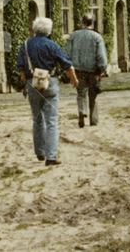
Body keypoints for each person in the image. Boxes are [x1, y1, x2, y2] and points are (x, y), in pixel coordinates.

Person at [17, 17, 78, 166]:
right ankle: (51, 156)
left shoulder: (25, 45)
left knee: (37, 119)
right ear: (49, 30)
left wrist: (26, 84)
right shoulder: (52, 45)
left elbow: (22, 71)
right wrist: (74, 80)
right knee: (51, 120)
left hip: (32, 83)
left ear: (34, 29)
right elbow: (68, 66)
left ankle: (40, 152)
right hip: (50, 82)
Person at [65, 13, 108, 128]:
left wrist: (68, 68)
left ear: (82, 22)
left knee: (81, 93)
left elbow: (67, 54)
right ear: (92, 23)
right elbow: (101, 56)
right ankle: (93, 120)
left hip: (78, 70)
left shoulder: (73, 36)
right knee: (93, 95)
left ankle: (82, 112)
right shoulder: (97, 37)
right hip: (93, 71)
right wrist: (102, 69)